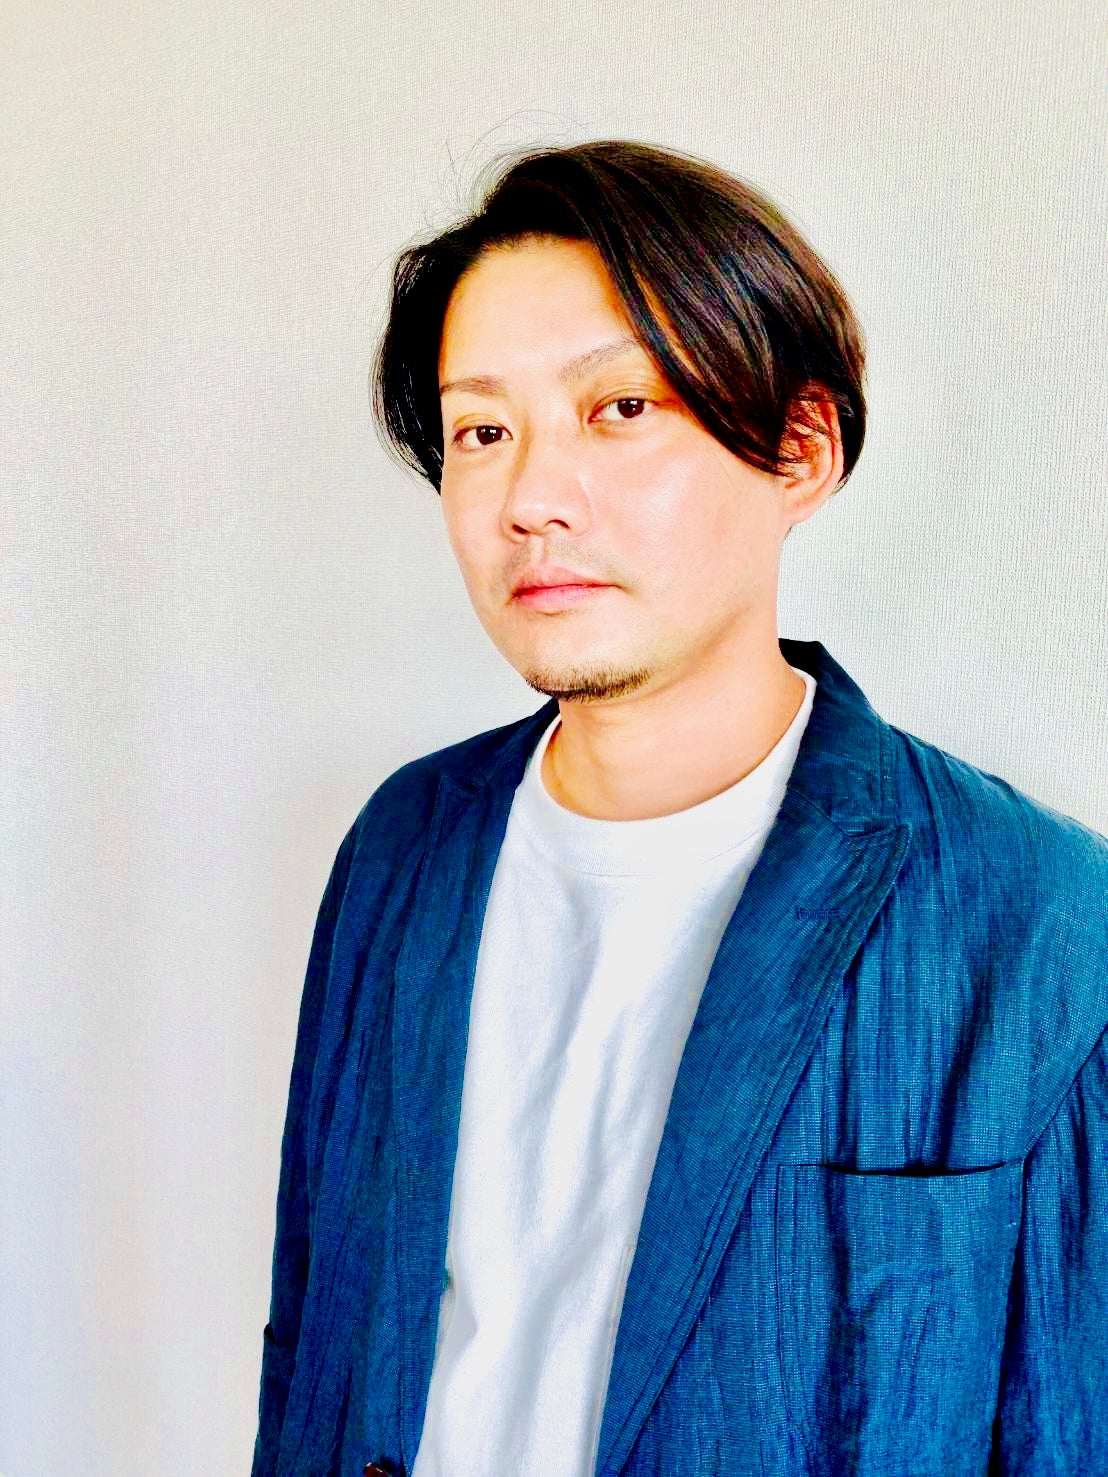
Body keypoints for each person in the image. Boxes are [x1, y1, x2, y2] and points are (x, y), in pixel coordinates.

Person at [252, 140, 1108, 1477]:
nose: (533, 500)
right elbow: (314, 1345)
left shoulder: (1038, 922)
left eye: (619, 408)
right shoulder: (403, 849)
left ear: (800, 450)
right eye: (483, 431)